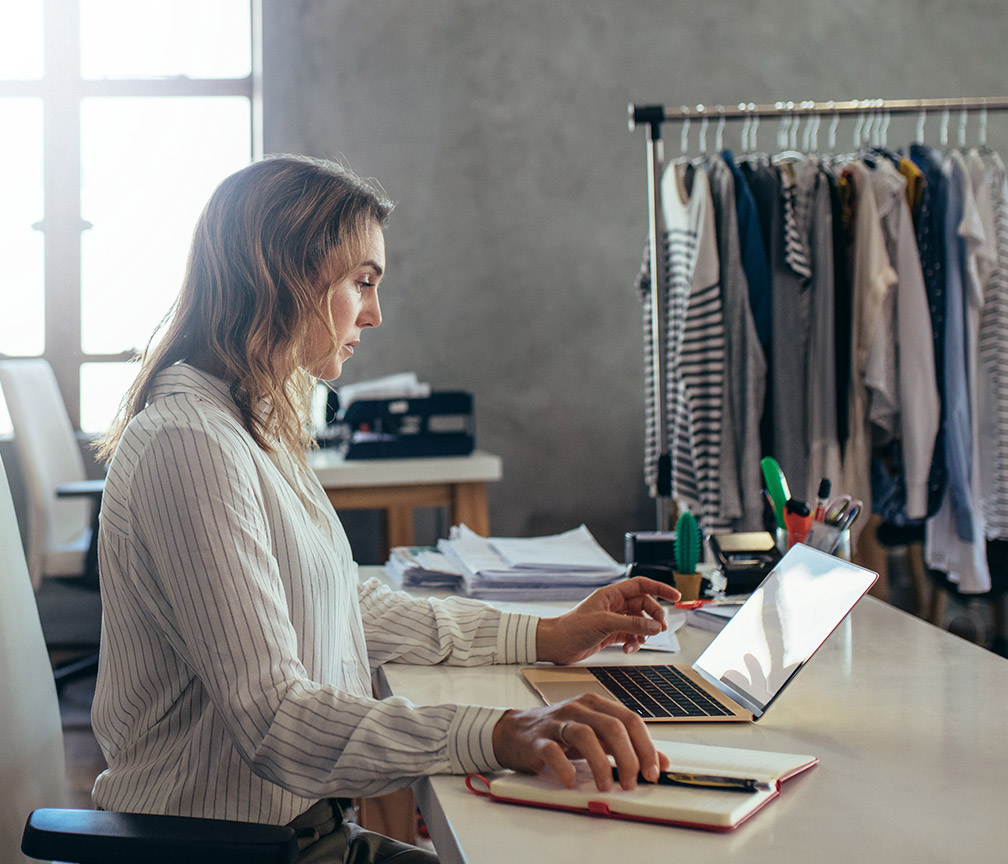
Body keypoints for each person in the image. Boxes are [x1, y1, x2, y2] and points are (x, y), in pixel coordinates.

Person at [90, 154, 680, 863]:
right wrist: (499, 733)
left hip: (296, 838)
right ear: (284, 276)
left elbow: (349, 608)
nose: (375, 312)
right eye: (361, 283)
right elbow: (276, 721)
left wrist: (545, 636)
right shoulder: (191, 441)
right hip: (222, 851)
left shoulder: (252, 421)